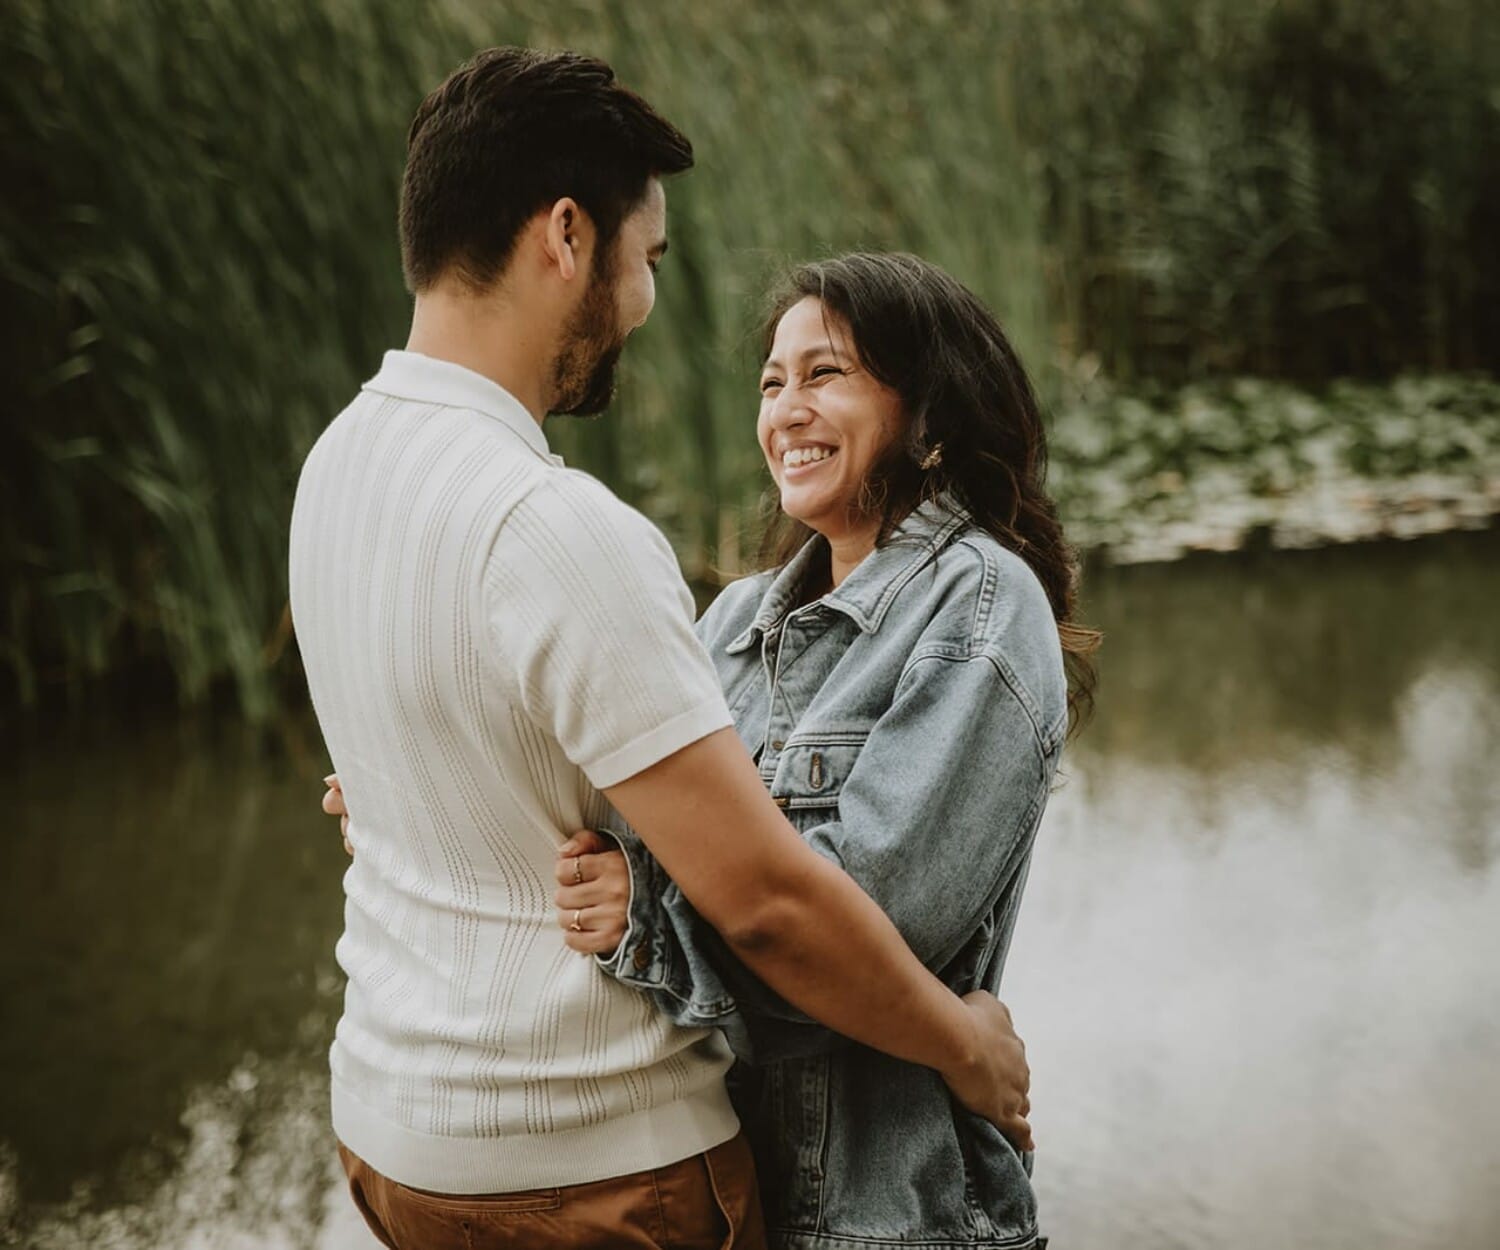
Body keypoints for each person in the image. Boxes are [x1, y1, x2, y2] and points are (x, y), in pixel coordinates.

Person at [290, 48, 1033, 1250]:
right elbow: (771, 906)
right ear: (567, 236)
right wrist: (965, 1044)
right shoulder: (557, 527)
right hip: (589, 1159)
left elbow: (460, 774)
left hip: (394, 1135)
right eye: (648, 258)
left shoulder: (333, 470)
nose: (643, 300)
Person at [549, 253, 1099, 1248]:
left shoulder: (981, 605)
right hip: (722, 1194)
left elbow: (861, 934)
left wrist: (648, 916)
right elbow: (607, 819)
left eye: (825, 373)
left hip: (891, 1219)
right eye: (773, 383)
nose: (786, 410)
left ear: (927, 415)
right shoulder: (733, 622)